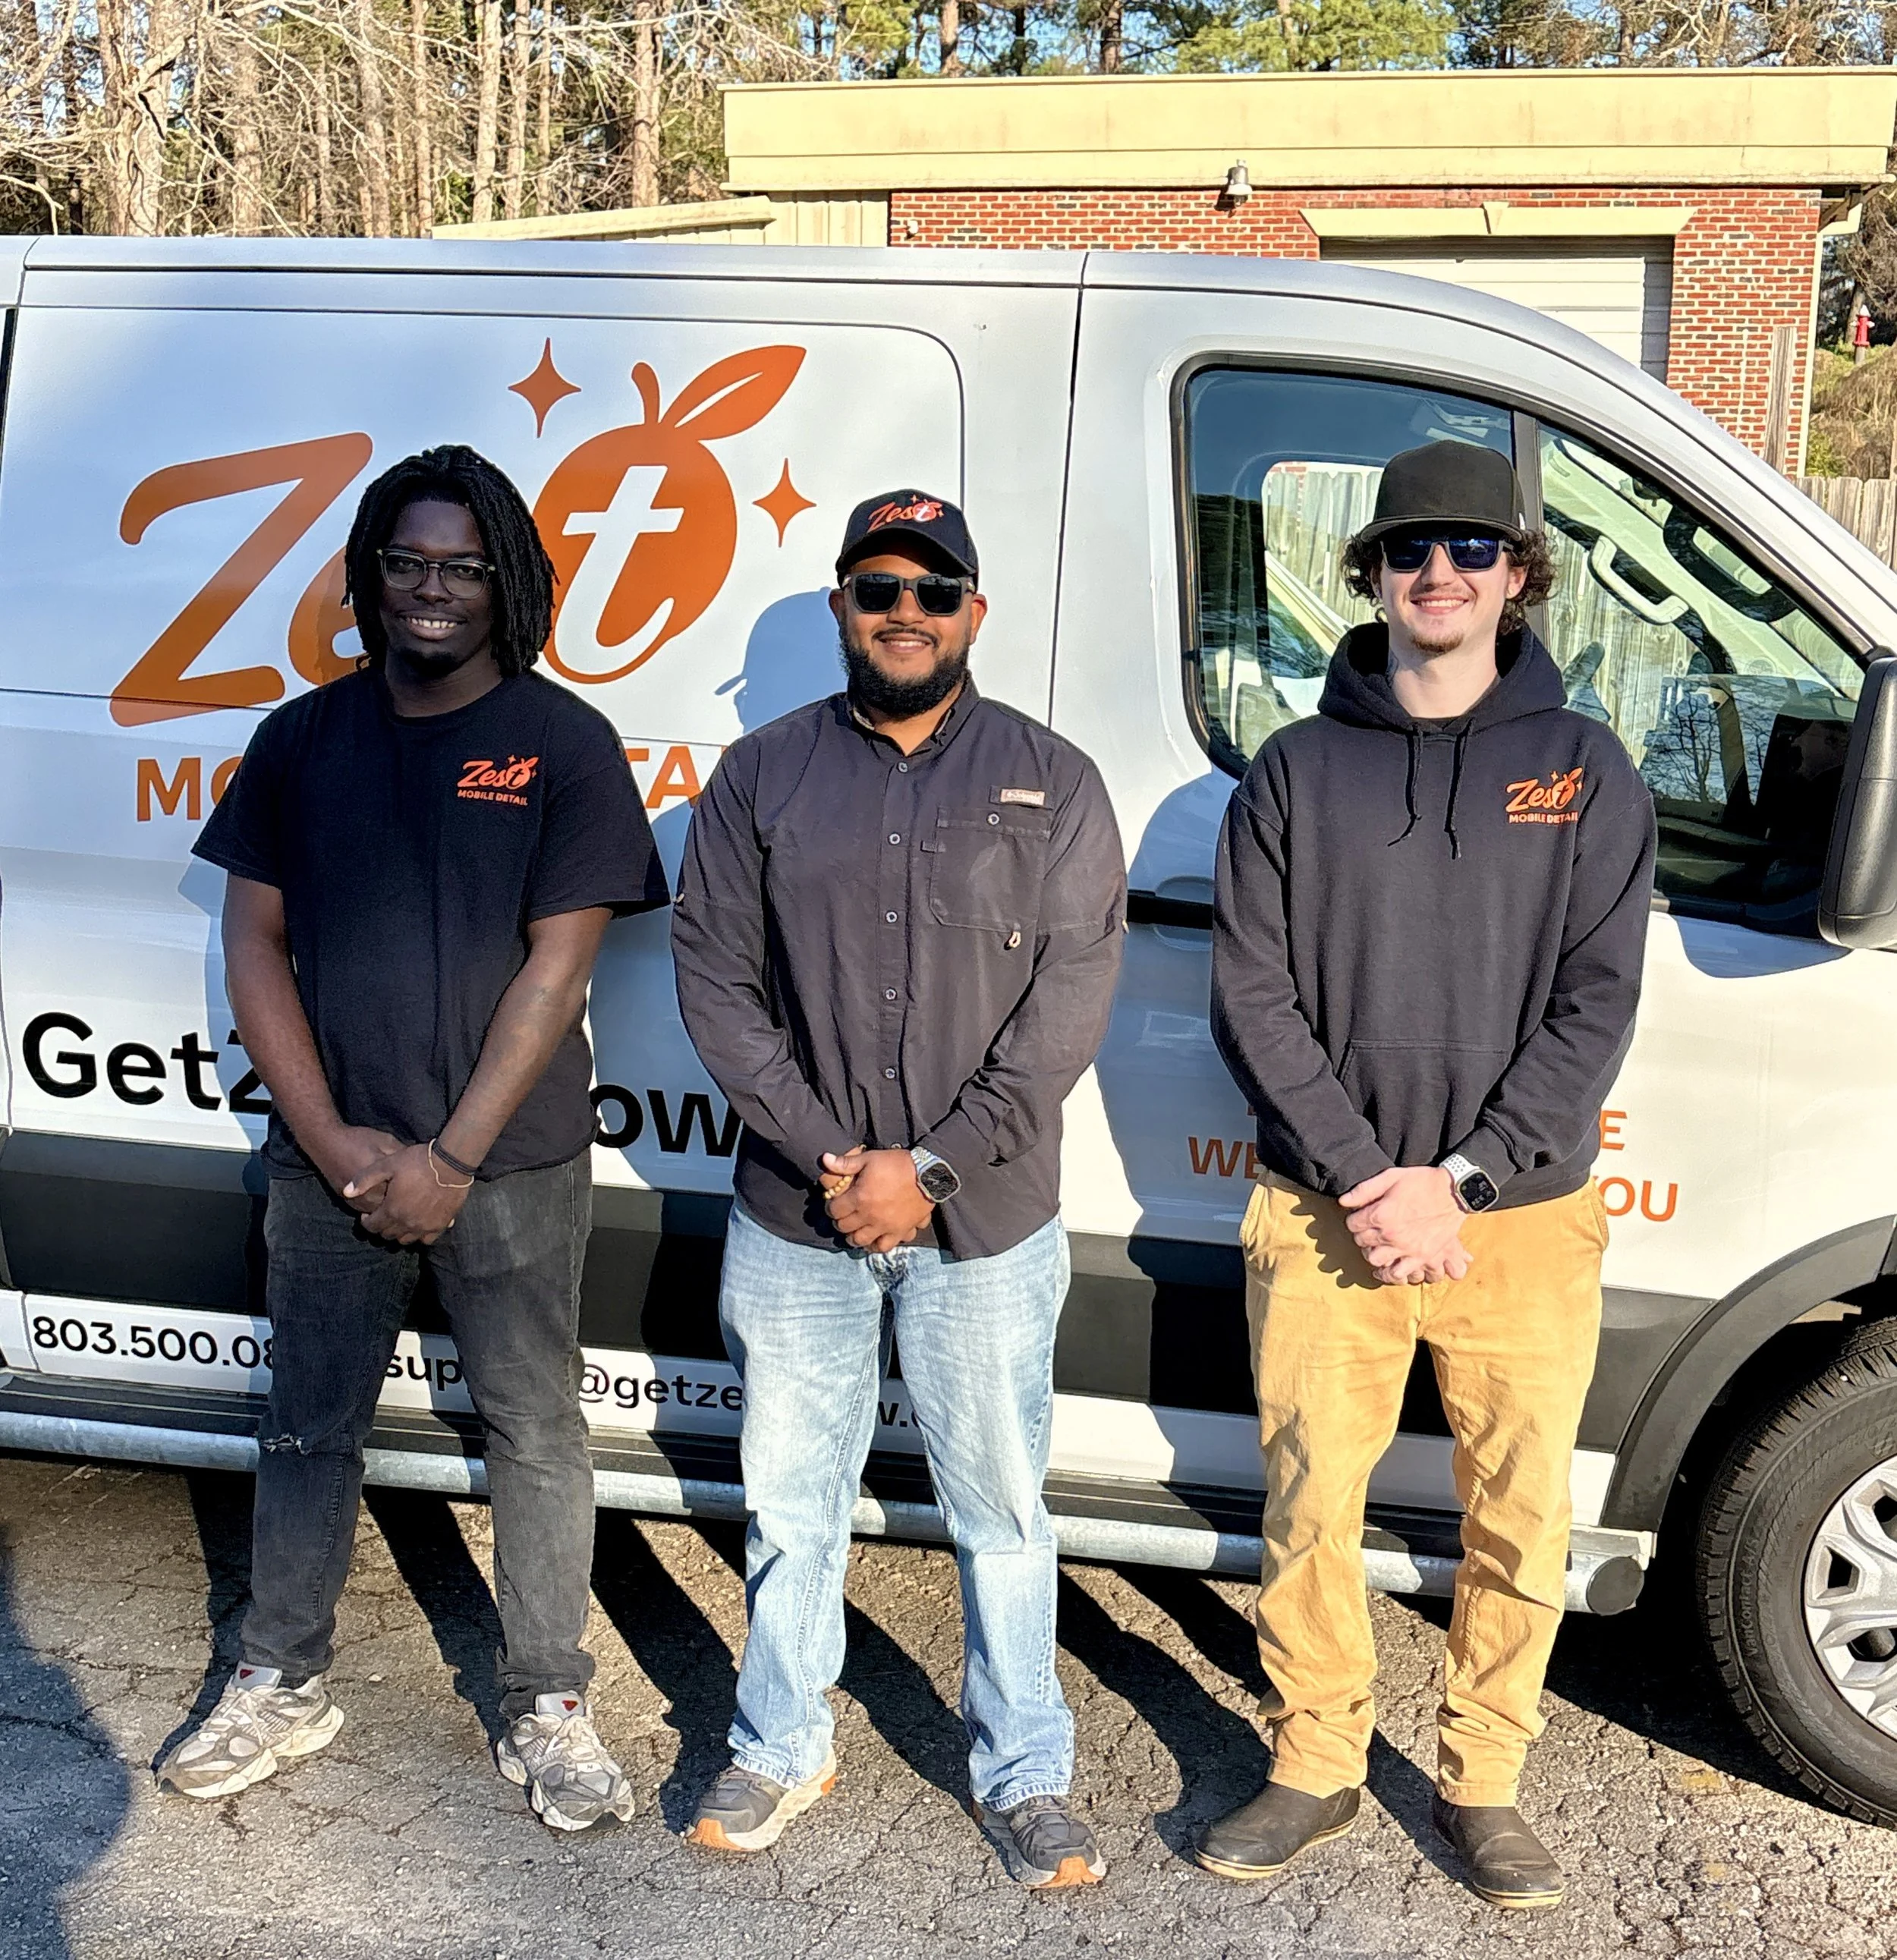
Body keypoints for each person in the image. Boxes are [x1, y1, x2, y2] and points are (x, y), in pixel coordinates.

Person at [159, 445, 669, 1831]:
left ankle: (547, 1701)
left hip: (510, 1168)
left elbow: (558, 974)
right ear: (369, 578)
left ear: (508, 583)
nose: (432, 590)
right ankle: (281, 1674)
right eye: (407, 562)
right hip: (331, 1162)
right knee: (308, 1425)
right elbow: (251, 946)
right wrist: (333, 1145)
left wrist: (447, 1159)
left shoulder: (562, 745)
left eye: (463, 566)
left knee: (535, 1430)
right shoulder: (302, 740)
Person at [1199, 442, 1656, 1909]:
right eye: (1409, 551)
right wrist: (1365, 1177)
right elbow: (1251, 995)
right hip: (1324, 1213)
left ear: (1519, 573)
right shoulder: (1293, 768)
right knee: (1309, 1502)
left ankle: (1484, 1778)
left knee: (1519, 1516)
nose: (1438, 573)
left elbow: (1596, 1003)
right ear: (1372, 577)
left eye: (1470, 547)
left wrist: (1453, 1179)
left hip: (1518, 1219)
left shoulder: (1587, 770)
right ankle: (1318, 1757)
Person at [671, 491, 1126, 1889]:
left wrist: (922, 1167)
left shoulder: (1056, 780)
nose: (906, 614)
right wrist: (836, 1160)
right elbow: (717, 982)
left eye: (934, 592)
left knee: (999, 1509)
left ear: (975, 612)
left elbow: (1067, 1009)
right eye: (879, 589)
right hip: (796, 1218)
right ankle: (779, 1739)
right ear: (841, 610)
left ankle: (1025, 1768)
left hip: (982, 1221)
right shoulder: (759, 778)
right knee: (791, 1503)